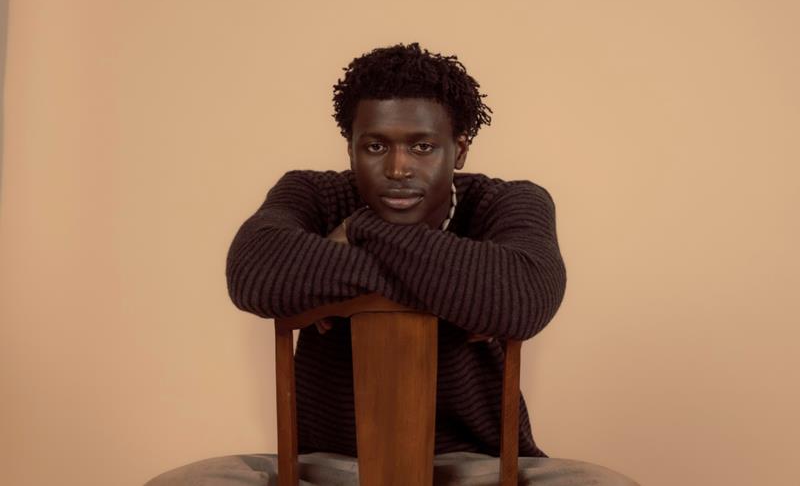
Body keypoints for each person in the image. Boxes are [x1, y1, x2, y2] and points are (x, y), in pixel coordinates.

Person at [145, 42, 639, 485]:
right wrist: (462, 290)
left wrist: (357, 233)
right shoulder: (312, 192)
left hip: (478, 464)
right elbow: (254, 271)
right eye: (376, 146)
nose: (398, 168)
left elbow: (522, 297)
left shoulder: (508, 202)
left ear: (459, 150)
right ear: (351, 149)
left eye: (422, 147)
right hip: (325, 464)